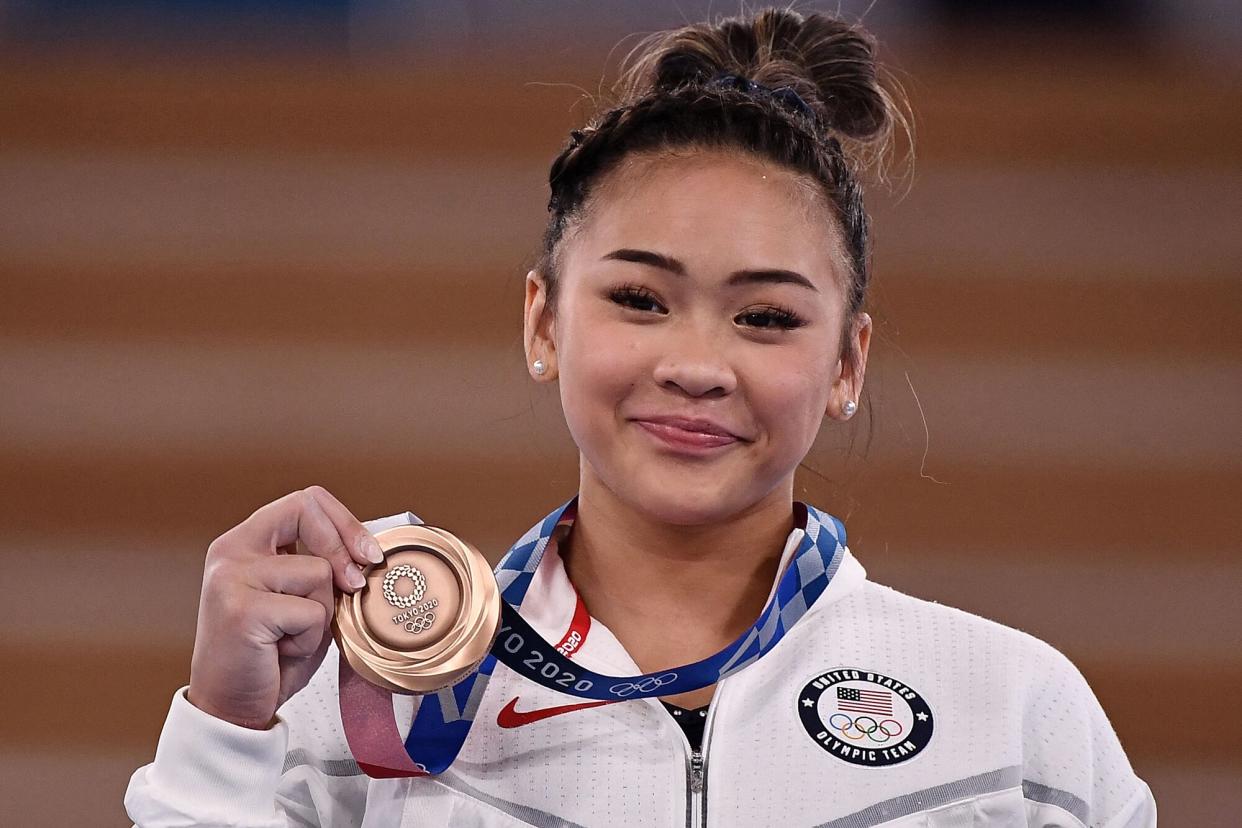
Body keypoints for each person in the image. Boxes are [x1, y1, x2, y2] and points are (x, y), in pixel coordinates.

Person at [125, 7, 1157, 826]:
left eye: (764, 316)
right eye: (639, 300)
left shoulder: (1016, 716)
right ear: (543, 323)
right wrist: (224, 731)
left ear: (848, 364)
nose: (698, 366)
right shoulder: (366, 702)